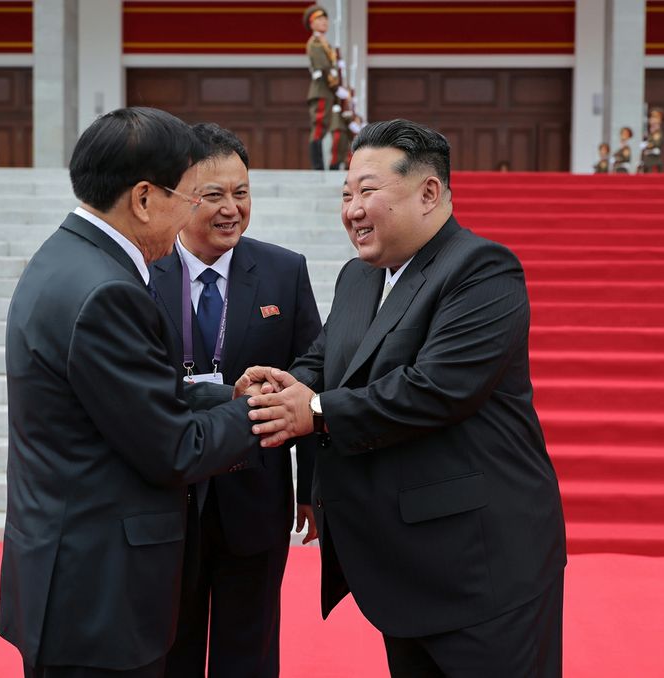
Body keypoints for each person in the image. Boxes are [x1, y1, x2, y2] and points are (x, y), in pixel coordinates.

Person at [240, 119, 567, 677]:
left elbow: (435, 389)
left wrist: (313, 411)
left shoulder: (481, 269)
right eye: (346, 195)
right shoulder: (358, 276)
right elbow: (326, 360)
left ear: (429, 192)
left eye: (367, 191)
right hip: (404, 562)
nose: (352, 210)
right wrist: (277, 386)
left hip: (482, 567)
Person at [0, 107, 266, 678]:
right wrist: (260, 412)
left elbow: (130, 395)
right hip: (100, 595)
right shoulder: (107, 292)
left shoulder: (65, 257)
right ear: (144, 198)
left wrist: (224, 396)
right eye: (189, 198)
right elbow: (175, 447)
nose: (191, 214)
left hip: (69, 573)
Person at [150, 123, 322, 678]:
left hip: (256, 495)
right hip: (166, 499)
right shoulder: (141, 272)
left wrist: (311, 488)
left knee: (250, 652)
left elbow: (314, 374)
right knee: (168, 650)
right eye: (213, 195)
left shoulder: (283, 271)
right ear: (180, 196)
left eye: (241, 192)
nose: (232, 209)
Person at [304, 4, 349, 170]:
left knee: (323, 127)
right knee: (319, 127)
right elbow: (323, 68)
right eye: (319, 19)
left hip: (327, 91)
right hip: (321, 90)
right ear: (312, 23)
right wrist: (337, 88)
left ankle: (321, 166)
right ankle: (318, 166)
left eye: (325, 19)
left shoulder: (325, 43)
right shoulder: (316, 43)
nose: (324, 22)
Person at [640, 108, 664, 173]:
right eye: (651, 117)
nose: (652, 119)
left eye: (656, 117)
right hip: (647, 160)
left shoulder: (658, 132)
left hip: (654, 160)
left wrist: (646, 145)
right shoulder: (650, 132)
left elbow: (656, 143)